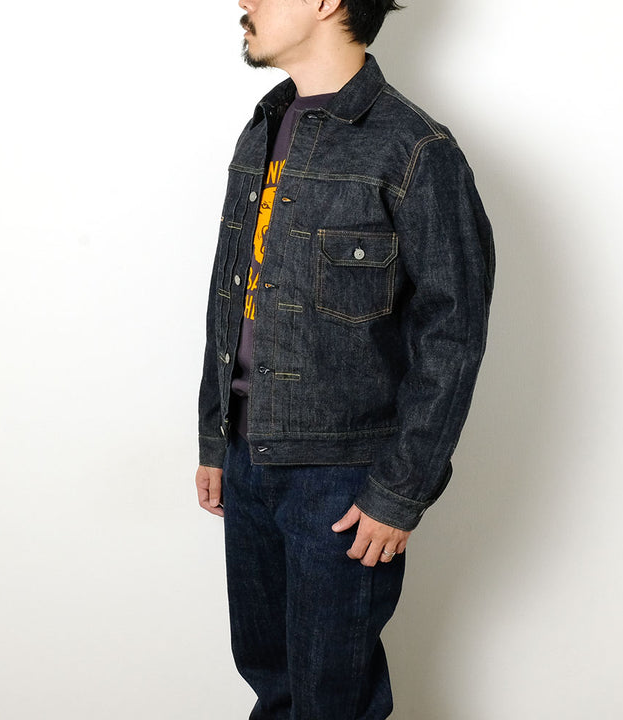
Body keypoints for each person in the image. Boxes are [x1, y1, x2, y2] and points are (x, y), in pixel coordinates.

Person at [196, 1, 495, 717]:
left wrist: (400, 491)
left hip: (342, 479)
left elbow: (454, 333)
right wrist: (215, 436)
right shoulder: (263, 126)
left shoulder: (415, 148)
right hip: (247, 454)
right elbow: (231, 292)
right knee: (270, 680)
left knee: (332, 699)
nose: (243, 2)